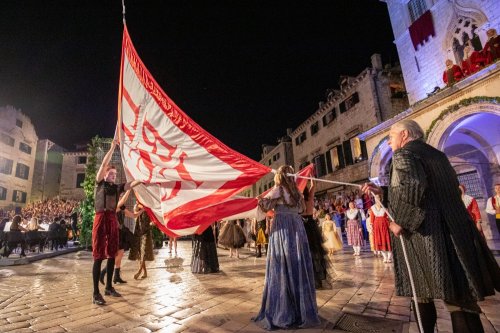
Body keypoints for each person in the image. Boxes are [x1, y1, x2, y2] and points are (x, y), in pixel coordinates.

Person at [362, 119, 500, 333]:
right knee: (460, 297)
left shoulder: (404, 154)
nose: (389, 141)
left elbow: (414, 186)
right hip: (455, 230)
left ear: (405, 135)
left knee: (422, 292)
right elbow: (430, 190)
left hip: (428, 235)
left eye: (391, 136)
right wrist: (384, 192)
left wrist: (402, 222)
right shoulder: (437, 155)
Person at [253, 165, 320, 330]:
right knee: (297, 265)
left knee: (282, 265)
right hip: (297, 228)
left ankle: (284, 310)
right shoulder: (296, 192)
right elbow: (302, 208)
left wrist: (259, 200)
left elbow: (263, 208)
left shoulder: (278, 189)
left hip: (283, 228)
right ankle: (300, 310)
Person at [91, 140, 140, 306]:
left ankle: (109, 287)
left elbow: (130, 184)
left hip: (112, 219)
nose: (112, 175)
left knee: (112, 253)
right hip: (100, 217)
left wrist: (143, 178)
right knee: (98, 255)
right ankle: (95, 292)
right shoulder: (99, 183)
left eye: (114, 174)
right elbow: (104, 163)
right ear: (105, 174)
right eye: (110, 173)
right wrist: (112, 147)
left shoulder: (117, 187)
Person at [99, 189, 141, 285]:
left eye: (122, 196)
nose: (122, 198)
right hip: (114, 232)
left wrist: (143, 210)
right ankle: (104, 272)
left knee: (120, 253)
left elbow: (133, 216)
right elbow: (123, 201)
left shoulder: (121, 208)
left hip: (121, 231)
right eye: (120, 196)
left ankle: (116, 276)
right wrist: (130, 189)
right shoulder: (114, 207)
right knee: (116, 255)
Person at [301, 180, 328, 289]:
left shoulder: (299, 200)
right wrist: (311, 176)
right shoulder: (310, 197)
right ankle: (317, 279)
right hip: (311, 225)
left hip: (302, 226)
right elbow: (313, 185)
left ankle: (307, 278)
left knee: (305, 253)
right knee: (315, 252)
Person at [129, 203, 155, 280]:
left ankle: (139, 271)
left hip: (146, 232)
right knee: (140, 253)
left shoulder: (149, 207)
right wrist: (140, 207)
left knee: (143, 252)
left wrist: (151, 224)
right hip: (138, 231)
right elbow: (135, 211)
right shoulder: (139, 206)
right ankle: (145, 272)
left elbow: (154, 220)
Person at [367, 196, 392, 263]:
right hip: (376, 226)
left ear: (381, 199)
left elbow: (389, 216)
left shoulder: (385, 206)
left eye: (378, 198)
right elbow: (372, 218)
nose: (377, 199)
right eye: (376, 198)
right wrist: (371, 226)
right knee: (379, 241)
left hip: (385, 225)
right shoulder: (372, 207)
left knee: (386, 240)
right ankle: (384, 257)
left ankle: (389, 257)